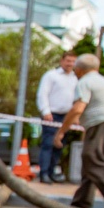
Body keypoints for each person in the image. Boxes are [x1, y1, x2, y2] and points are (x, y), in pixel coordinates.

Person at [60, 53, 104, 208]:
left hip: (102, 123)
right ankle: (81, 203)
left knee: (95, 159)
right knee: (90, 160)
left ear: (80, 69)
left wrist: (61, 132)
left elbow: (77, 108)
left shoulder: (85, 82)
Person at [36, 51, 78, 183]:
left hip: (66, 116)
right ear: (62, 61)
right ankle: (44, 173)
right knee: (48, 144)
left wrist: (75, 116)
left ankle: (52, 171)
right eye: (68, 60)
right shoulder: (51, 76)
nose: (70, 64)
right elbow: (43, 93)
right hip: (52, 115)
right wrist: (45, 111)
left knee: (59, 145)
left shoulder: (75, 78)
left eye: (72, 61)